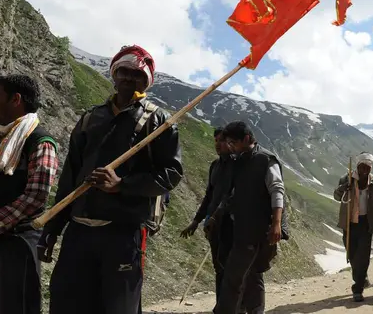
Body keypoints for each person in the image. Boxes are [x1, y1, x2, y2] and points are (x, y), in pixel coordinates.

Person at [38, 45, 184, 314]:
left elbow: (171, 173)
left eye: (137, 74)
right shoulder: (90, 118)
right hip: (78, 231)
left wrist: (122, 185)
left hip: (123, 232)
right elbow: (71, 175)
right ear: (114, 75)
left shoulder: (158, 121)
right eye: (124, 71)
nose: (129, 78)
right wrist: (53, 227)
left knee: (118, 307)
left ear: (146, 82)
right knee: (67, 303)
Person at [0, 75, 58, 314]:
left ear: (15, 99)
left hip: (18, 244)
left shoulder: (40, 142)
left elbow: (35, 197)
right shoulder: (3, 139)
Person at [213, 121, 288, 314]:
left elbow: (277, 191)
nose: (230, 147)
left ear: (246, 139)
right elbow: (231, 193)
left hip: (256, 229)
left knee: (233, 277)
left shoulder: (265, 160)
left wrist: (277, 224)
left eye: (233, 142)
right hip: (238, 228)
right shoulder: (239, 160)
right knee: (250, 274)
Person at [180, 127, 235, 305]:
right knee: (218, 267)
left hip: (232, 224)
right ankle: (221, 306)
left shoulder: (239, 166)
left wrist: (216, 216)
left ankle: (234, 307)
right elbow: (209, 196)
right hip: (213, 225)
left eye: (221, 140)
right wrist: (196, 221)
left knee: (231, 268)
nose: (217, 144)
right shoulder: (215, 166)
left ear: (230, 142)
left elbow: (232, 196)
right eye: (215, 140)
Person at [333, 152, 373, 302]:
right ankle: (361, 276)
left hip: (366, 223)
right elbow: (336, 196)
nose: (365, 170)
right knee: (352, 254)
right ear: (357, 166)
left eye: (368, 167)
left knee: (363, 256)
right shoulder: (346, 178)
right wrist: (344, 187)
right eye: (362, 166)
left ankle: (358, 288)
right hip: (349, 223)